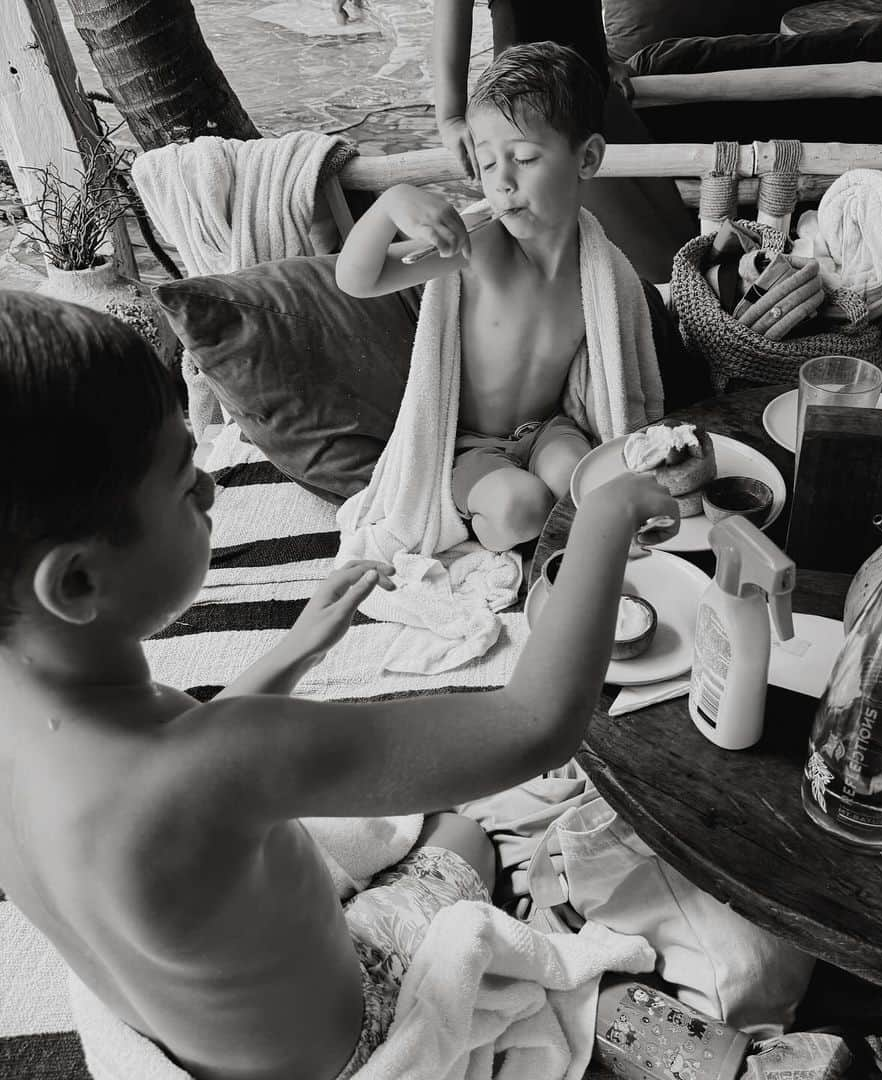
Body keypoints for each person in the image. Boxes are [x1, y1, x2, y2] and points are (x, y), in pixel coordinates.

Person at [0, 291, 678, 1080]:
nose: (213, 492)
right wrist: (605, 514)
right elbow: (535, 724)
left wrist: (295, 649)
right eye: (189, 482)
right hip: (337, 1047)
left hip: (191, 1027)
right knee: (463, 837)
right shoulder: (225, 760)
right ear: (78, 580)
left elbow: (167, 769)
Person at [337, 42, 656, 553]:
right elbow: (358, 280)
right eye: (487, 164)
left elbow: (622, 380)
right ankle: (482, 519)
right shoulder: (474, 248)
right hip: (472, 446)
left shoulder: (603, 272)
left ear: (587, 158)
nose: (502, 182)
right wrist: (392, 205)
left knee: (591, 484)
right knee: (520, 506)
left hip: (549, 431)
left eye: (524, 158)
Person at [431, 0, 694, 283]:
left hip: (594, 87)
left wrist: (604, 59)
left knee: (684, 240)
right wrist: (450, 117)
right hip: (534, 109)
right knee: (658, 265)